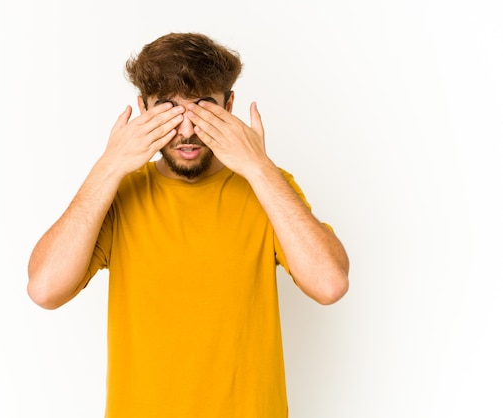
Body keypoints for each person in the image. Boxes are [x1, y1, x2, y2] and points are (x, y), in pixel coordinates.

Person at [27, 32, 349, 418]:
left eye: (203, 108)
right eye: (167, 109)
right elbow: (45, 289)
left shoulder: (265, 188)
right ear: (142, 110)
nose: (185, 130)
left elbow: (330, 284)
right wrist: (108, 167)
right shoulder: (118, 193)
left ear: (229, 106)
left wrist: (259, 167)